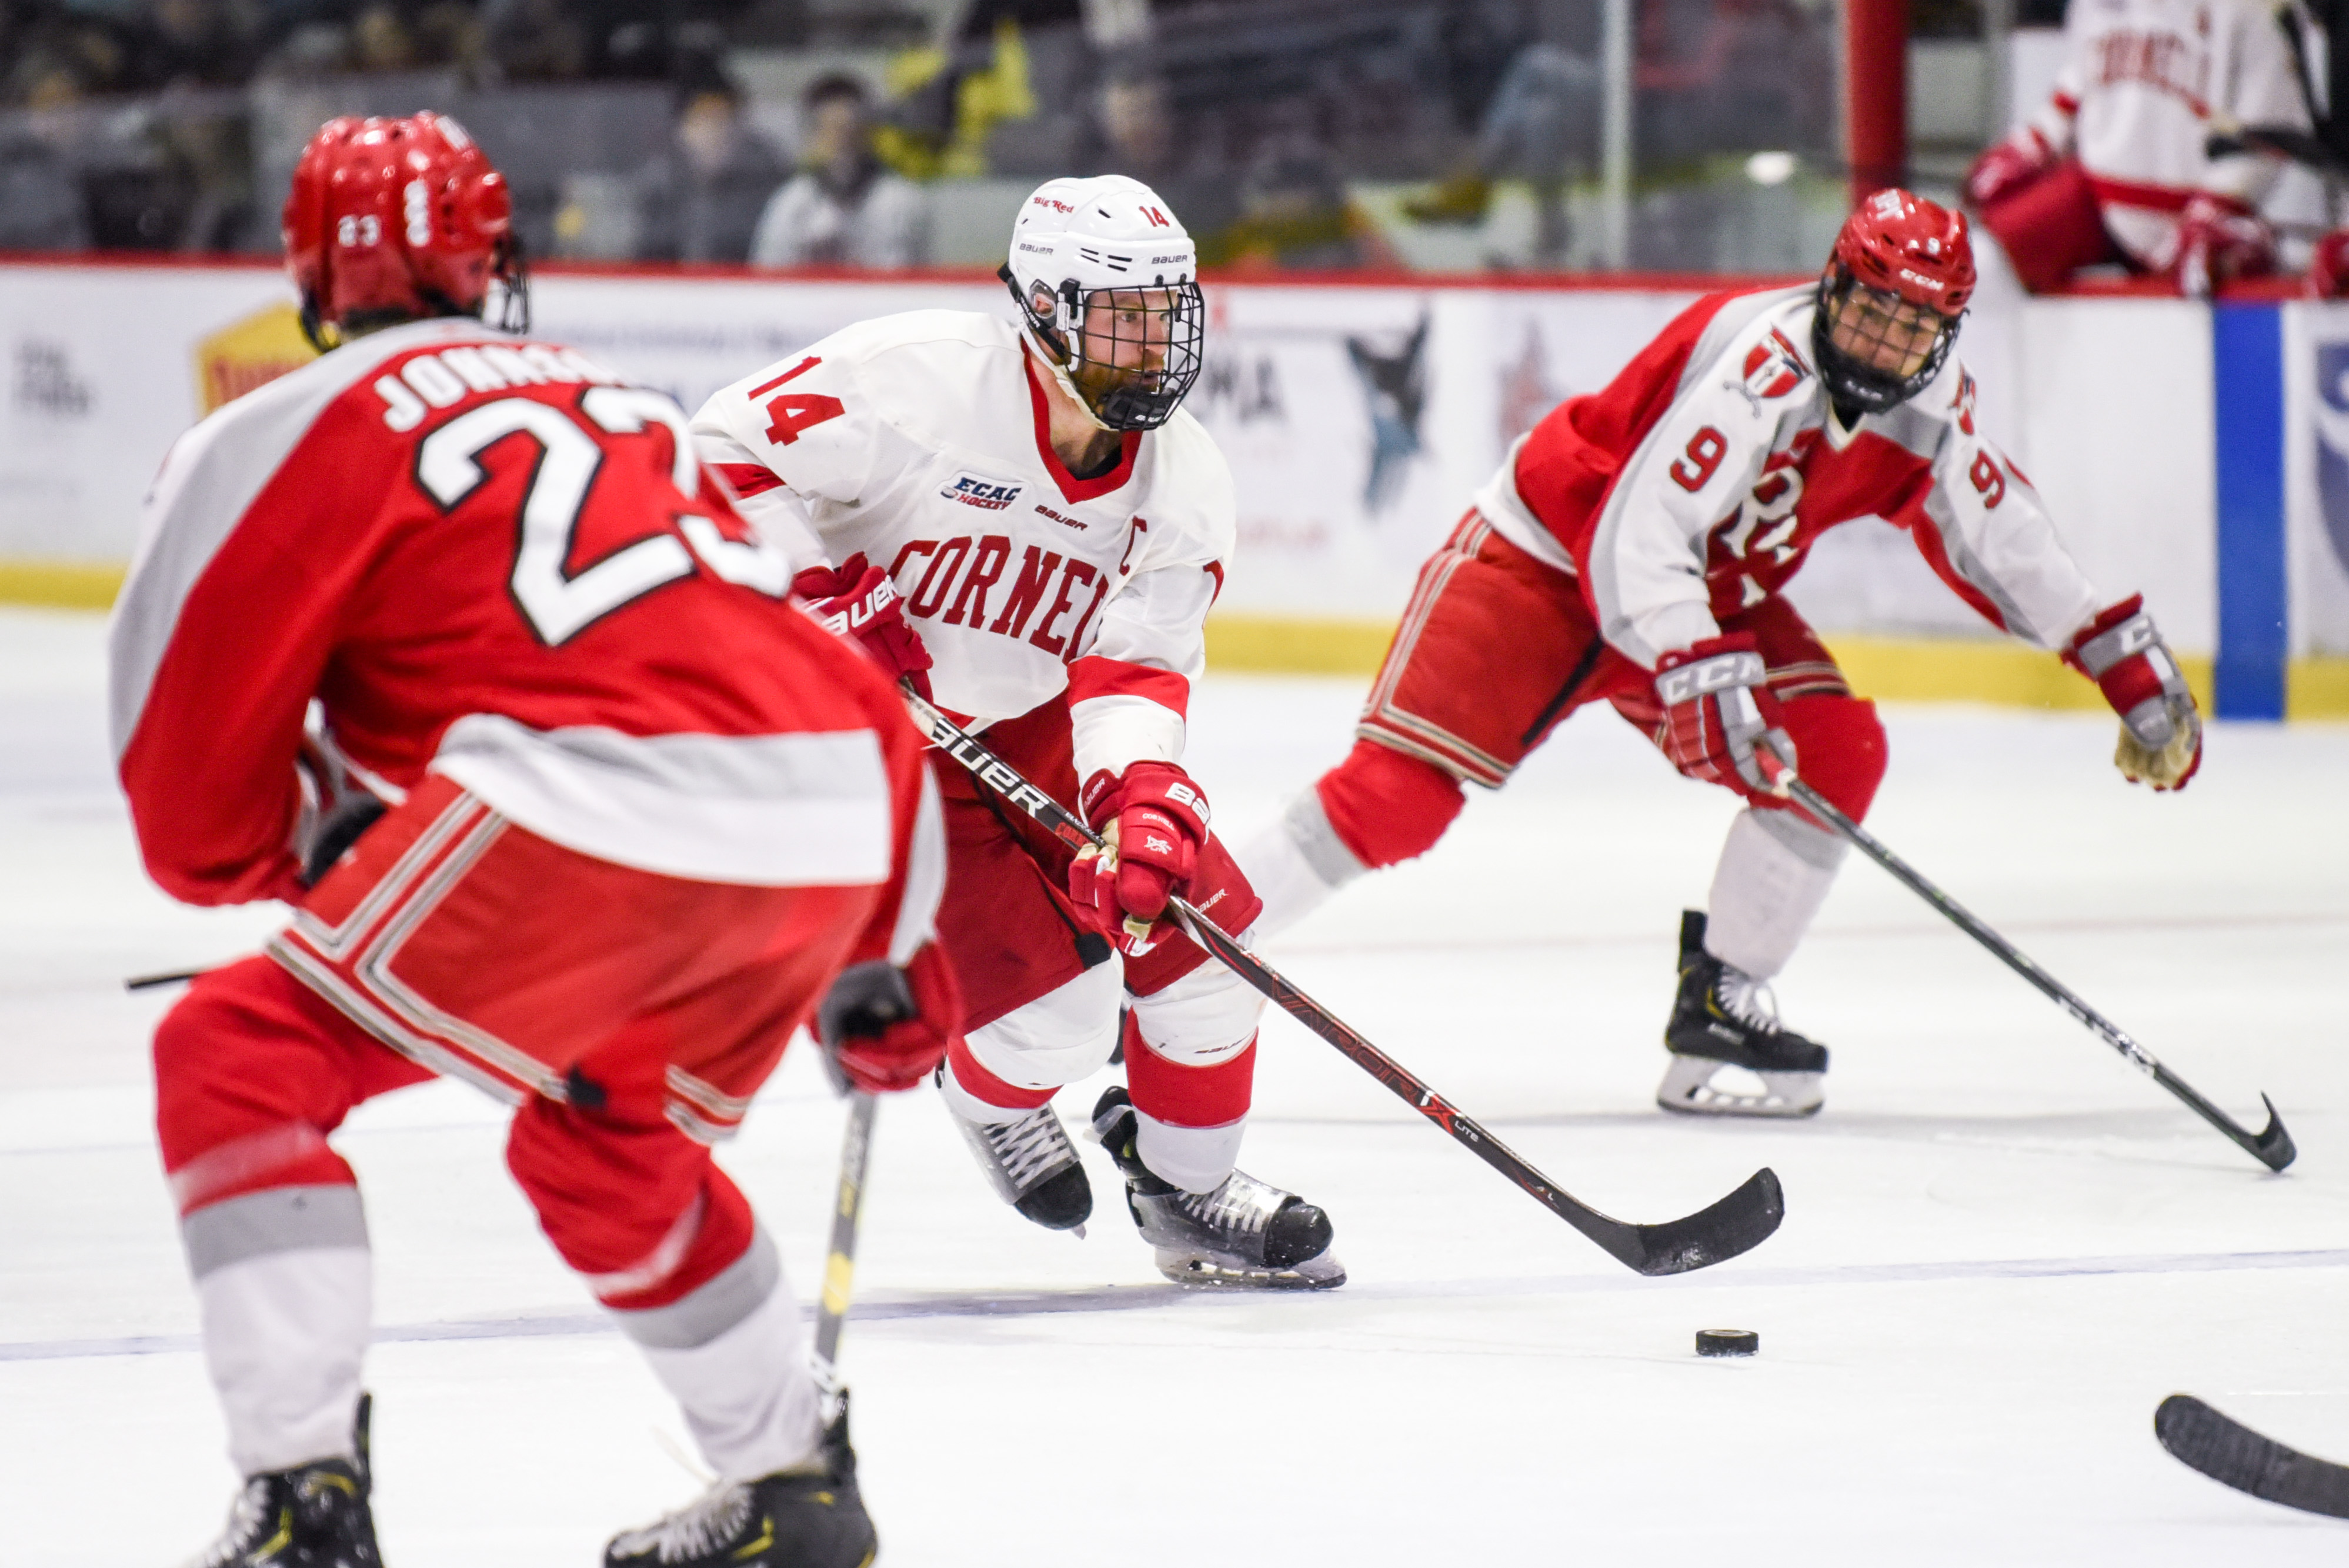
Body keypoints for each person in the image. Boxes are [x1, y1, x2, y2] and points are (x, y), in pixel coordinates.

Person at [115, 114, 957, 1568]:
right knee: (607, 1147)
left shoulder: (268, 427)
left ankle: (304, 1498)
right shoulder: (621, 402)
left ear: (310, 272)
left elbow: (184, 803)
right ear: (494, 257)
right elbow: (824, 678)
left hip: (594, 811)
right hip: (833, 821)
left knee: (238, 1056)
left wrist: (308, 853)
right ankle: (791, 1483)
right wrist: (885, 957)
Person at [1234, 189, 2204, 1120]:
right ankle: (1173, 951)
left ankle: (1722, 1002)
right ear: (1831, 289)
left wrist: (2109, 651)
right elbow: (1637, 532)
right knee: (1394, 802)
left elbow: (1997, 533)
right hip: (1541, 565)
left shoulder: (1928, 403)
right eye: (1871, 314)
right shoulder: (1755, 365)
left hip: (1698, 595)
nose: (1886, 345)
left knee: (1833, 751)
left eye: (1914, 329)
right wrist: (1697, 668)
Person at [692, 174, 1346, 1289]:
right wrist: (819, 599)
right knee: (1057, 1020)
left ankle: (1184, 1195)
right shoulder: (915, 383)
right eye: (1118, 314)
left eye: (1163, 312)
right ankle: (983, 1091)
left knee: (1200, 953)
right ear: (1042, 308)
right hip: (886, 749)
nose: (1149, 344)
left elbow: (1133, 667)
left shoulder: (1183, 479)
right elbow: (715, 450)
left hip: (1034, 719)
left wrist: (1138, 809)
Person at [1964, 0, 2310, 295]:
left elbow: (2271, 127)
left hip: (2203, 212)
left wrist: (2218, 205)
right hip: (2096, 196)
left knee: (2209, 282)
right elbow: (2082, 76)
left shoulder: (2257, 9)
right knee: (1984, 260)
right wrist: (2036, 140)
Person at [750, 72, 929, 269]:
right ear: (814, 133)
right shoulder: (792, 201)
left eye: (849, 129)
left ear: (868, 130)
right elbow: (768, 276)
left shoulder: (901, 200)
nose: (842, 141)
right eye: (831, 129)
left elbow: (917, 280)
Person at [636, 63, 790, 263]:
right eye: (704, 118)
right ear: (683, 128)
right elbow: (646, 254)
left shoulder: (767, 175)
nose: (715, 131)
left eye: (723, 119)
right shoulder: (659, 181)